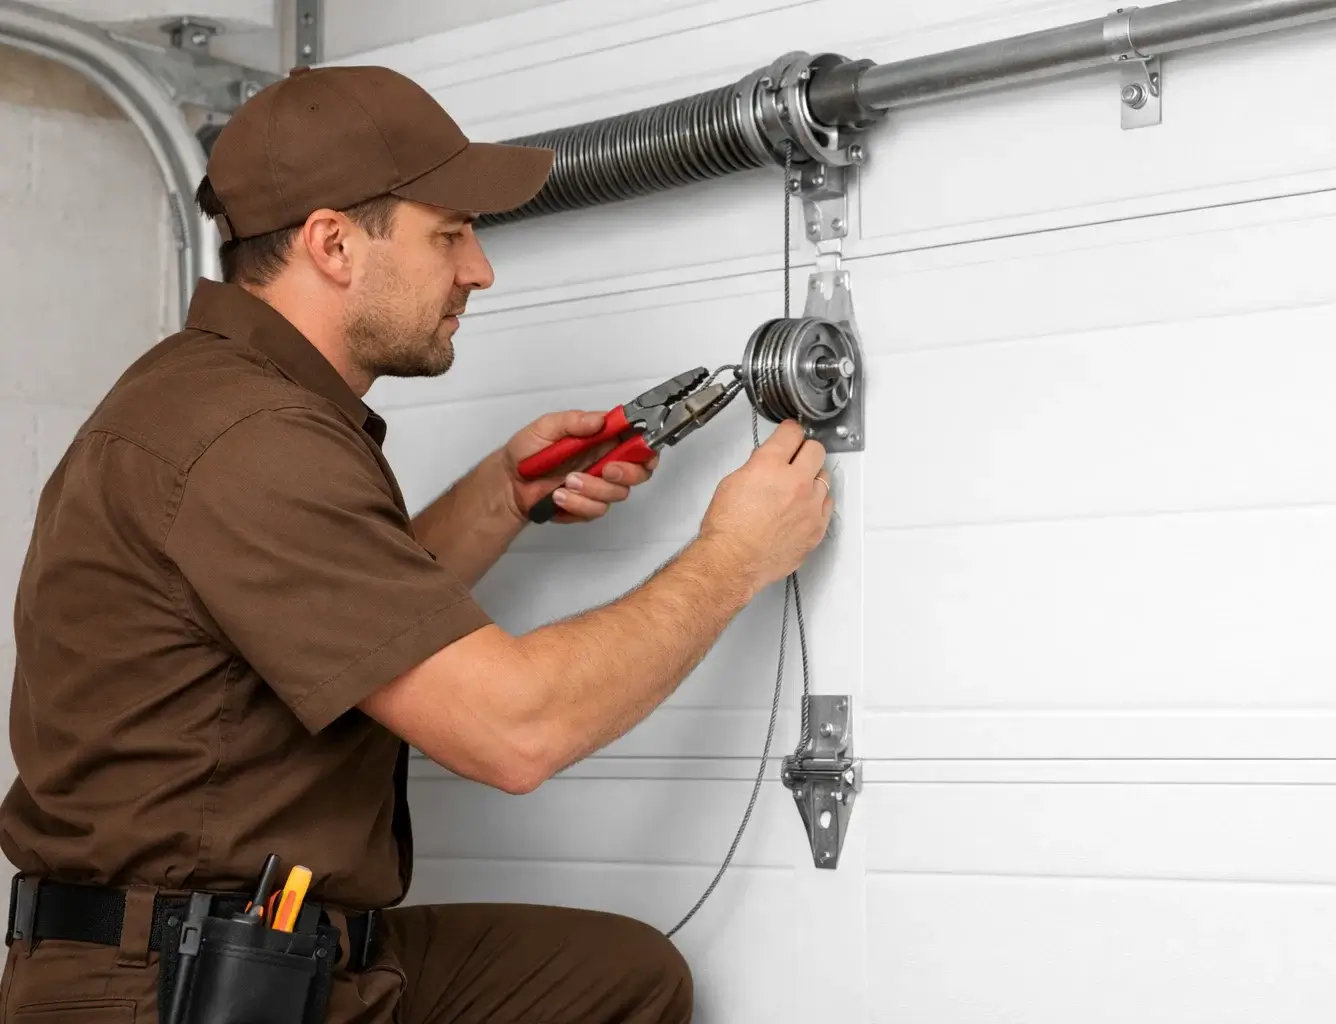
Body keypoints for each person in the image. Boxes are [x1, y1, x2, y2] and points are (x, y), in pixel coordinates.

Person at [0, 63, 832, 1023]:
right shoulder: (252, 441)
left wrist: (501, 495)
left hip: (268, 953)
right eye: (449, 234)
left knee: (619, 977)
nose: (479, 269)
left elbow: (350, 622)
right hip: (173, 989)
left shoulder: (220, 397)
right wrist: (733, 557)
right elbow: (516, 732)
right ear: (333, 244)